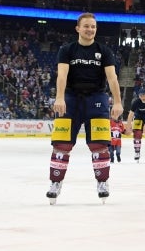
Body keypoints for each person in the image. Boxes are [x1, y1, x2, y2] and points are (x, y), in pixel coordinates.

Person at [46, 12, 123, 205]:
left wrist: (118, 102)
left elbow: (112, 78)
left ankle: (102, 183)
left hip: (96, 98)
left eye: (93, 27)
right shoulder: (67, 50)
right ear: (78, 28)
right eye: (86, 26)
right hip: (71, 99)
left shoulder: (104, 51)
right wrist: (60, 98)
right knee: (61, 145)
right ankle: (55, 183)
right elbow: (62, 75)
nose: (90, 29)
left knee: (99, 145)